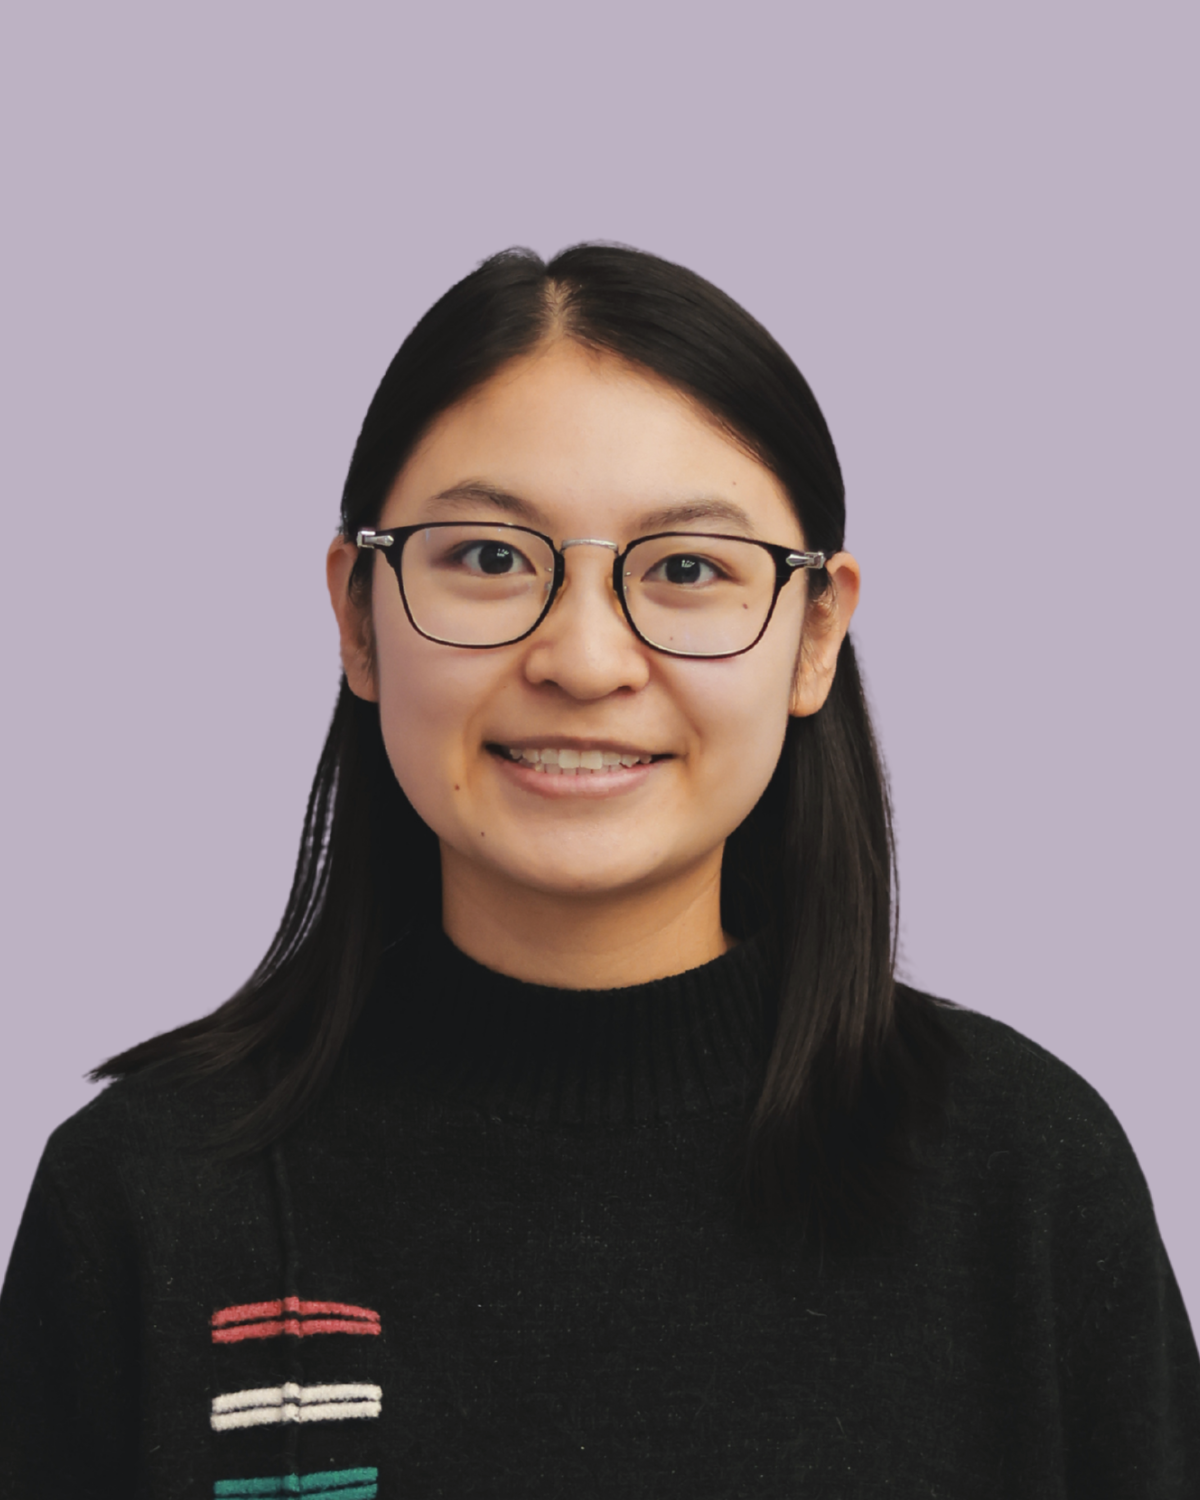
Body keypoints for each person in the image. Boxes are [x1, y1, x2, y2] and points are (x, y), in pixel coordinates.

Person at [0, 244, 1196, 1499]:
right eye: (490, 558)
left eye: (686, 570)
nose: (582, 658)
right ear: (359, 616)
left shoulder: (1025, 1177)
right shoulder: (143, 1199)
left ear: (815, 634)